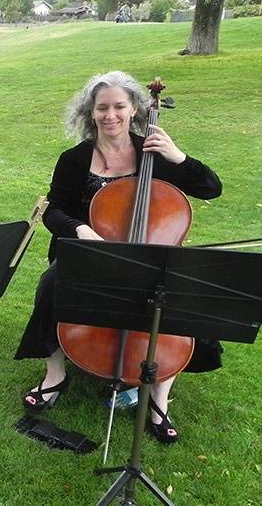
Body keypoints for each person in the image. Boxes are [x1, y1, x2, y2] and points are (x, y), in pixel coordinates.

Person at [14, 71, 223, 444]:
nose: (110, 115)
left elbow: (211, 187)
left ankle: (159, 396)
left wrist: (178, 156)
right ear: (90, 113)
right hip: (91, 252)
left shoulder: (154, 153)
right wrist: (80, 229)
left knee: (188, 298)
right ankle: (55, 373)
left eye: (119, 107)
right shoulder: (76, 159)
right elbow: (54, 210)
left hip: (150, 253)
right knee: (50, 285)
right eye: (102, 108)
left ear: (134, 110)